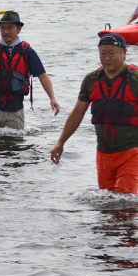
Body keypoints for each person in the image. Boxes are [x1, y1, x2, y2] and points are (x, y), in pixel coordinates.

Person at [51, 34, 138, 194]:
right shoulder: (92, 80)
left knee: (124, 205)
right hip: (103, 155)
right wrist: (60, 142)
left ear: (124, 53)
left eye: (112, 53)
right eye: (103, 53)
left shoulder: (135, 78)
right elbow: (77, 113)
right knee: (107, 208)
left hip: (132, 153)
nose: (107, 58)